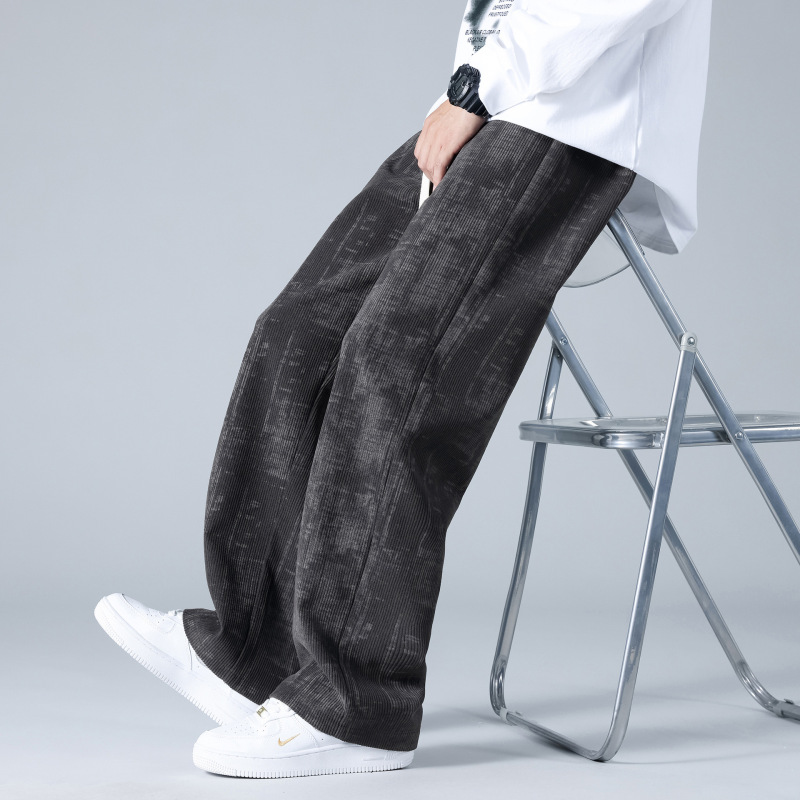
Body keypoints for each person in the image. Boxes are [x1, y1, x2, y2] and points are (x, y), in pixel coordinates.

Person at [94, 0, 712, 780]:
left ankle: (357, 702)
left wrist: (477, 88)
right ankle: (255, 653)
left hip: (575, 118)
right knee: (297, 334)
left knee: (394, 360)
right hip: (497, 100)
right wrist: (471, 89)